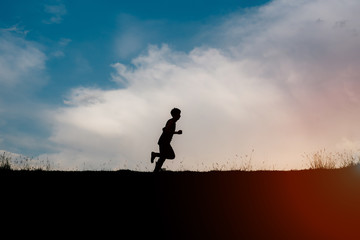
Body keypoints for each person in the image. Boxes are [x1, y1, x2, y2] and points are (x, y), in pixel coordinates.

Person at [151, 108, 182, 172]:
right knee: (169, 156)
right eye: (179, 114)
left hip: (165, 142)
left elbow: (166, 129)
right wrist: (176, 132)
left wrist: (175, 132)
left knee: (164, 157)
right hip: (163, 142)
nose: (180, 116)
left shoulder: (173, 122)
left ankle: (156, 168)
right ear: (175, 115)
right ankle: (155, 158)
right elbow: (165, 130)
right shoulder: (171, 121)